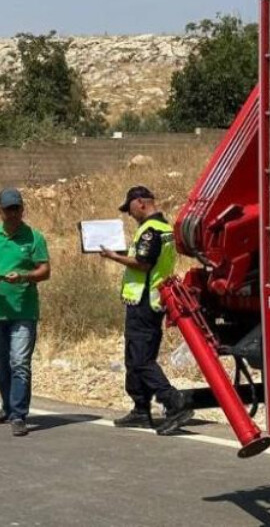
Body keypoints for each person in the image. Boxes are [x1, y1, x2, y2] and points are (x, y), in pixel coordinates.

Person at [100, 186, 193, 435]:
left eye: (129, 208)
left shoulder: (151, 230)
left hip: (144, 302)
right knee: (134, 356)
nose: (128, 214)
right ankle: (141, 409)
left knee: (141, 359)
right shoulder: (163, 228)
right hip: (145, 301)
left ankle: (174, 403)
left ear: (140, 202)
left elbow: (143, 263)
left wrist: (113, 257)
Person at [0, 188, 51, 437]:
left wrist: (24, 276)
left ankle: (18, 414)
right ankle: (6, 406)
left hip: (24, 311)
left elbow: (45, 271)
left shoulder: (34, 237)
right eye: (8, 209)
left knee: (20, 363)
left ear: (22, 209)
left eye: (17, 208)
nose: (13, 214)